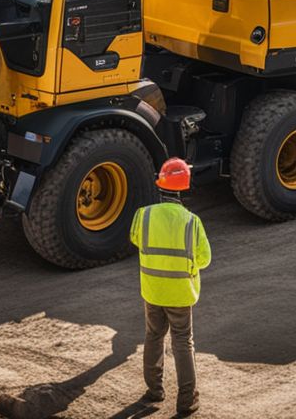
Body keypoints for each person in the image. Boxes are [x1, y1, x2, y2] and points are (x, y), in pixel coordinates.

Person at [131, 158, 210, 416]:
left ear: (160, 185)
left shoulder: (144, 215)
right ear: (184, 188)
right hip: (180, 294)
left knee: (153, 336)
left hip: (152, 291)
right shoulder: (191, 221)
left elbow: (135, 239)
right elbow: (204, 259)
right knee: (182, 342)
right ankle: (187, 401)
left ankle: (154, 391)